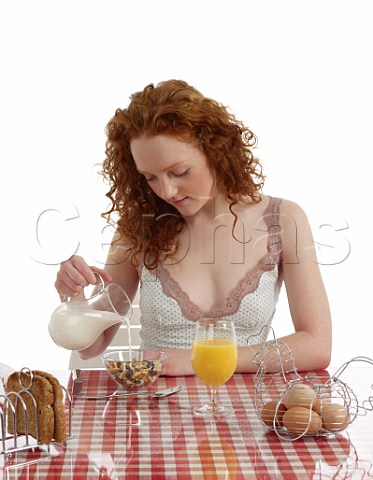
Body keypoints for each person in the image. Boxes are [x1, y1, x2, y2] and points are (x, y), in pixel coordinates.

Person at [54, 80, 332, 376]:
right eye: (150, 177)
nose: (168, 190)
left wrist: (201, 359)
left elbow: (316, 345)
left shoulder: (283, 220)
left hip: (247, 412)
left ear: (215, 151)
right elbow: (91, 347)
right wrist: (75, 300)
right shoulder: (138, 228)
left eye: (179, 172)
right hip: (156, 408)